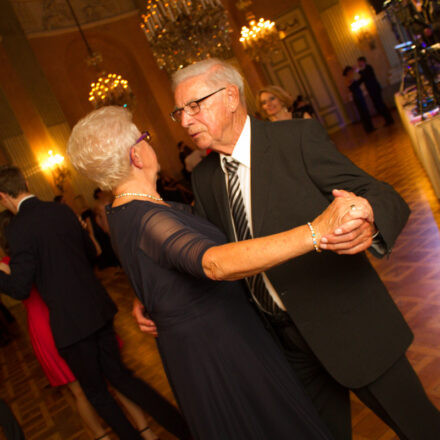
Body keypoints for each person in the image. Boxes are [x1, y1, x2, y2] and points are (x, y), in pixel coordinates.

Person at [133, 57, 440, 440]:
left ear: (231, 97)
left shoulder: (295, 139)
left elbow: (380, 193)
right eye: (179, 111)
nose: (184, 120)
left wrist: (369, 216)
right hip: (285, 347)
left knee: (421, 429)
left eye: (195, 106)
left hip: (352, 328)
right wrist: (155, 295)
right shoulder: (205, 177)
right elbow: (209, 255)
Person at [66, 105, 372, 440]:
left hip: (207, 345)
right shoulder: (147, 218)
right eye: (145, 137)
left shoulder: (123, 212)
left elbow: (151, 265)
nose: (149, 143)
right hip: (222, 351)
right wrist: (316, 231)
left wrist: (150, 299)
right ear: (136, 155)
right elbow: (213, 263)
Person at [0, 166, 191, 440]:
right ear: (26, 182)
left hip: (71, 325)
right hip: (97, 310)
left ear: (3, 196)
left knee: (97, 394)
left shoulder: (18, 228)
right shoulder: (61, 210)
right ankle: (184, 429)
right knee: (123, 378)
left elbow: (19, 288)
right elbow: (91, 254)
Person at [0, 210, 158, 440]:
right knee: (111, 379)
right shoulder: (35, 251)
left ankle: (116, 434)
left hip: (53, 324)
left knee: (86, 390)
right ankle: (144, 430)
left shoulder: (11, 263)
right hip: (63, 321)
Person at [357, 57, 394, 126]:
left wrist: (358, 71)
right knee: (377, 106)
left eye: (359, 62)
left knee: (380, 104)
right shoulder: (364, 70)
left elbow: (366, 75)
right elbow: (362, 79)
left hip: (375, 89)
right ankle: (387, 119)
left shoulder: (368, 68)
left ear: (363, 61)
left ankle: (389, 119)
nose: (358, 64)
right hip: (371, 91)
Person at [343, 65, 375, 133]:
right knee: (364, 113)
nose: (352, 72)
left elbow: (358, 82)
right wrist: (359, 73)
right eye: (351, 71)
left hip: (358, 96)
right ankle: (369, 128)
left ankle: (369, 128)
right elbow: (356, 84)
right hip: (358, 97)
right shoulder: (348, 78)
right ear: (348, 71)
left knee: (364, 112)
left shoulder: (349, 78)